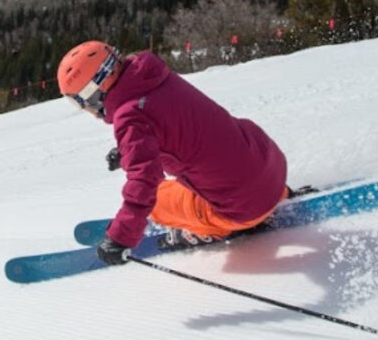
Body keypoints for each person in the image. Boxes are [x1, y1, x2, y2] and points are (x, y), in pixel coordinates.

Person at [56, 41, 289, 266]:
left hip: (244, 207)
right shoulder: (155, 78)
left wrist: (121, 237)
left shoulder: (130, 116)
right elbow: (178, 128)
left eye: (80, 102)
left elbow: (144, 181)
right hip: (271, 166)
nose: (85, 109)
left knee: (157, 203)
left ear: (94, 92)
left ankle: (205, 230)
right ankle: (275, 195)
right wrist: (130, 151)